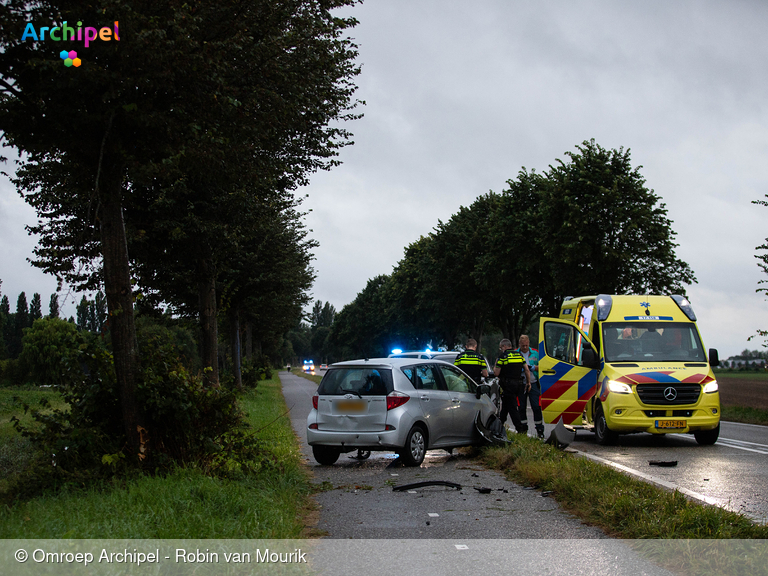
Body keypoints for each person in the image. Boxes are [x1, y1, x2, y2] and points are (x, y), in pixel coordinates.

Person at [494, 338, 531, 433]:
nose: (501, 349)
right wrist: (528, 382)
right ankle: (498, 426)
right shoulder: (519, 355)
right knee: (505, 407)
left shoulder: (503, 356)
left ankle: (520, 428)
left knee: (512, 408)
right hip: (518, 385)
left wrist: (495, 364)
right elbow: (526, 370)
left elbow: (496, 373)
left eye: (501, 347)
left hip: (507, 386)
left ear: (504, 346)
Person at [515, 335, 545, 439]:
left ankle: (540, 429)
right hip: (521, 384)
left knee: (536, 407)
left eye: (526, 345)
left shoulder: (535, 353)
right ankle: (523, 429)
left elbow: (543, 366)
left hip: (533, 383)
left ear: (529, 344)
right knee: (521, 407)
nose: (524, 347)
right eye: (523, 346)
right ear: (519, 344)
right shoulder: (515, 353)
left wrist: (533, 368)